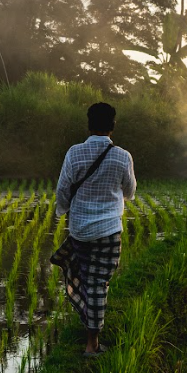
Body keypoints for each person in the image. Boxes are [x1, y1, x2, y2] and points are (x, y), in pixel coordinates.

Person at [50, 102, 136, 357]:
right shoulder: (123, 156)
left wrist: (63, 210)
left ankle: (89, 326)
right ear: (113, 125)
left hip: (80, 231)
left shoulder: (74, 153)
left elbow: (63, 190)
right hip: (109, 231)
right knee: (99, 283)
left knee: (86, 279)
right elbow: (130, 192)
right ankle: (92, 344)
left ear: (89, 124)